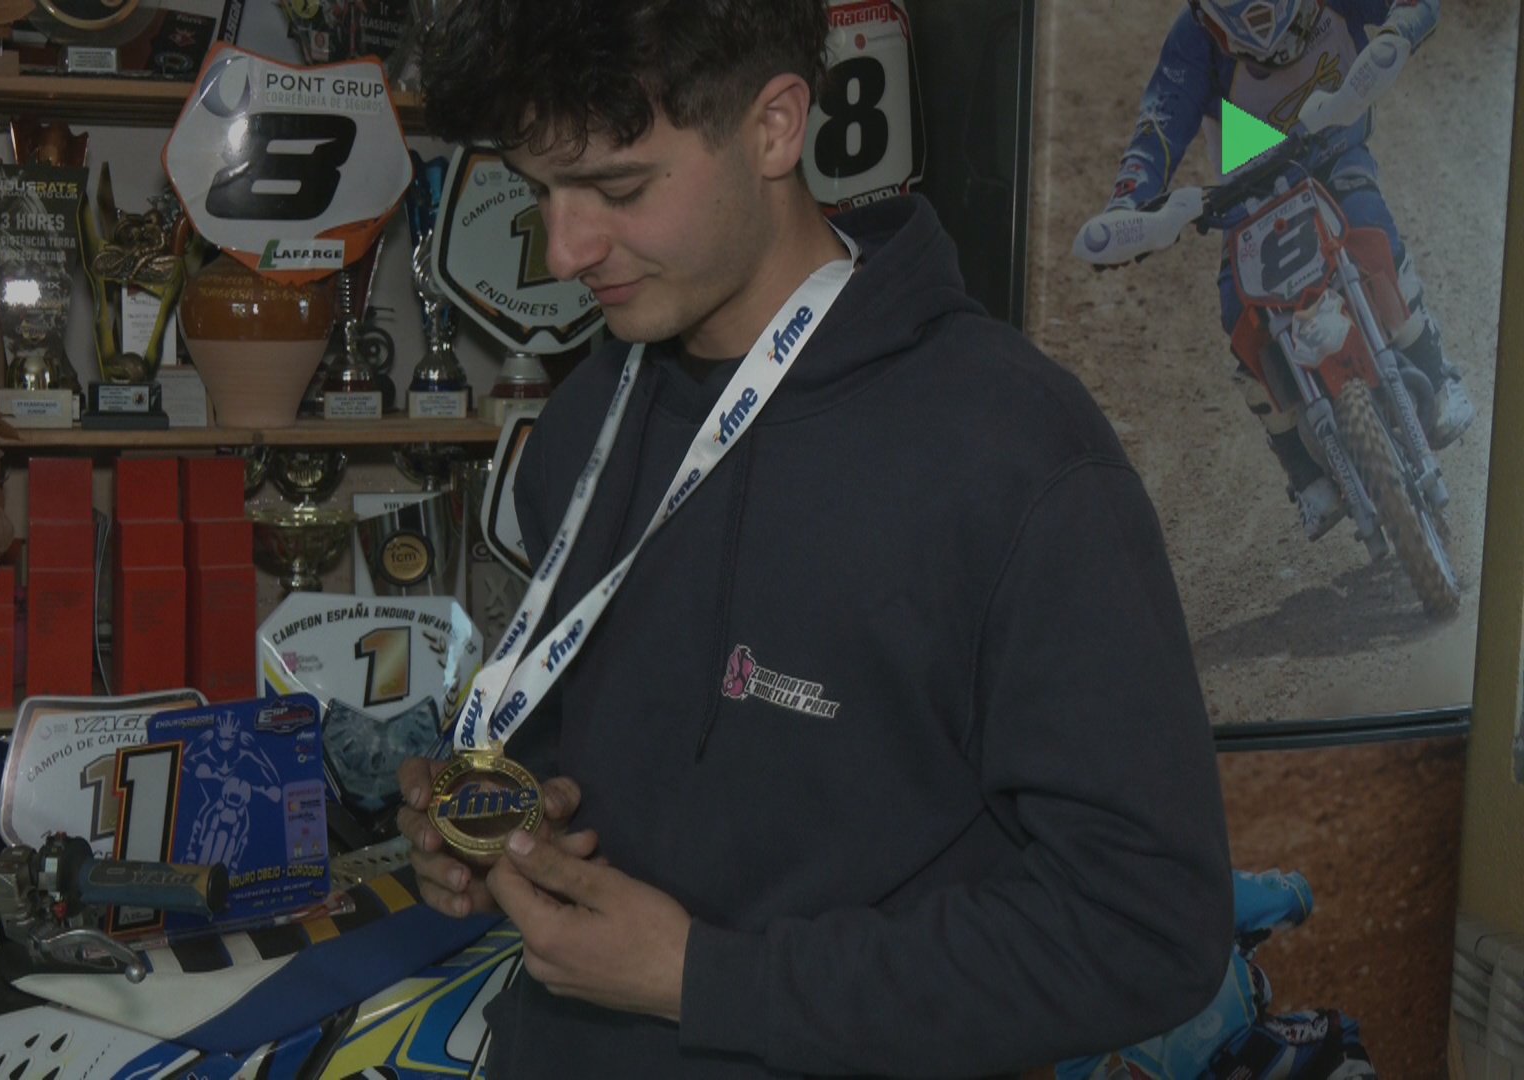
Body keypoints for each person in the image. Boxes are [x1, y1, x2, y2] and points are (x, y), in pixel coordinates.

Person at [395, 1, 1235, 1076]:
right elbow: (581, 754)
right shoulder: (586, 421)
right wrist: (507, 823)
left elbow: (1147, 930)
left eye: (619, 189)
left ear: (776, 127)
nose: (565, 250)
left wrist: (706, 979)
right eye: (538, 190)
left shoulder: (1016, 455)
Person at [1095, 0, 1471, 542]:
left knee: (1370, 230)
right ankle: (1302, 468)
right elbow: (1158, 126)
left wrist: (1399, 28)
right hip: (1250, 192)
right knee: (1238, 312)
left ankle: (1436, 370)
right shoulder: (1194, 40)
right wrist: (1128, 204)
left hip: (1332, 151)